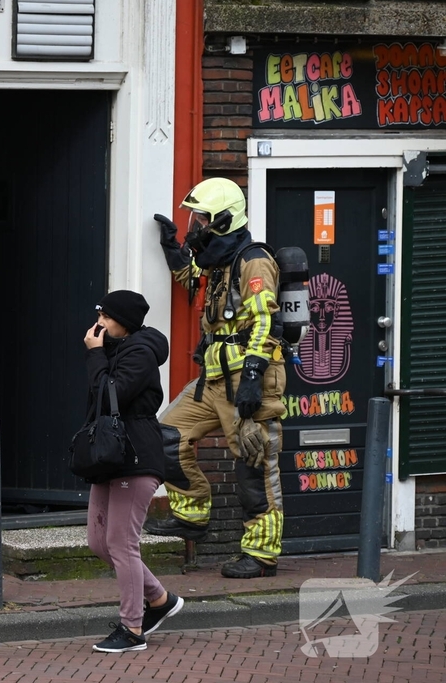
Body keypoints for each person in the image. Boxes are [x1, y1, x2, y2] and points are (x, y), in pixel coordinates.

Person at [145, 177, 286, 579]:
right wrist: (173, 247)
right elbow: (192, 279)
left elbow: (265, 320)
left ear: (224, 219)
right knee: (167, 434)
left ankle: (261, 555)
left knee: (254, 465)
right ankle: (192, 515)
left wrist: (255, 376)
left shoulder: (253, 260)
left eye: (202, 218)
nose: (197, 225)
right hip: (215, 375)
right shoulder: (220, 259)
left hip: (247, 376)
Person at [83, 290, 184, 653]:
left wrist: (96, 354)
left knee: (122, 544)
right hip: (109, 457)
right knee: (99, 542)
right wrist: (101, 352)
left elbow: (109, 394)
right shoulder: (115, 349)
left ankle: (132, 628)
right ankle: (160, 599)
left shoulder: (140, 354)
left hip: (136, 456)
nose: (98, 324)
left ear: (122, 322)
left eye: (105, 317)